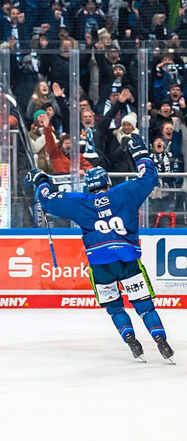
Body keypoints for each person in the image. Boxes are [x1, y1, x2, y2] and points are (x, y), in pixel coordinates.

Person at [24, 135, 174, 362]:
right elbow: (149, 177)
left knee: (115, 308)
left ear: (88, 185)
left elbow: (47, 200)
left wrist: (41, 180)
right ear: (107, 183)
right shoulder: (124, 193)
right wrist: (140, 154)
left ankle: (132, 341)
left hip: (100, 264)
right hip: (127, 259)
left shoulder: (80, 202)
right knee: (144, 305)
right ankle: (161, 341)